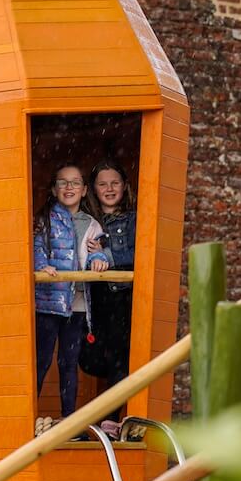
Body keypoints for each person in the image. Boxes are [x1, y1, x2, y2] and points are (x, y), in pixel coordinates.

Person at [33, 163, 111, 426]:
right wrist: (42, 265)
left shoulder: (91, 224)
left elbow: (99, 250)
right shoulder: (46, 219)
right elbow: (36, 248)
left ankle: (68, 419)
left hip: (76, 305)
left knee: (69, 362)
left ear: (84, 189)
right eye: (63, 183)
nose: (69, 187)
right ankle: (28, 416)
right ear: (54, 189)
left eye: (75, 182)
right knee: (41, 360)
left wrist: (99, 259)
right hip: (50, 302)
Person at [83, 160, 137, 427]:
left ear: (124, 186)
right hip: (94, 298)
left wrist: (107, 255)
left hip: (120, 297)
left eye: (115, 183)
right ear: (94, 189)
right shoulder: (88, 221)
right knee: (89, 358)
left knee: (118, 359)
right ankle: (98, 412)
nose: (109, 188)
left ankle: (111, 419)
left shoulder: (132, 219)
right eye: (103, 184)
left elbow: (140, 252)